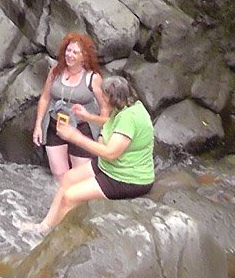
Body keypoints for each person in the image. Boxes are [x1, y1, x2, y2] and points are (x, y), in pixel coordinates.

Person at [21, 76, 155, 234]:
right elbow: (110, 123)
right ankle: (45, 226)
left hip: (126, 178)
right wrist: (88, 117)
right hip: (110, 166)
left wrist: (75, 137)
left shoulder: (130, 118)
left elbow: (110, 153)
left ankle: (55, 237)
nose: (101, 99)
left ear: (113, 98)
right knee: (68, 178)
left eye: (104, 96)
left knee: (69, 197)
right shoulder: (127, 106)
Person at [32, 33, 109, 179]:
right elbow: (45, 98)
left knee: (79, 177)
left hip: (81, 127)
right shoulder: (55, 71)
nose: (70, 55)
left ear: (84, 56)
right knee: (59, 174)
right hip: (56, 124)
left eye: (75, 52)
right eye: (68, 50)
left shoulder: (93, 78)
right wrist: (38, 126)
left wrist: (103, 133)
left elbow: (104, 107)